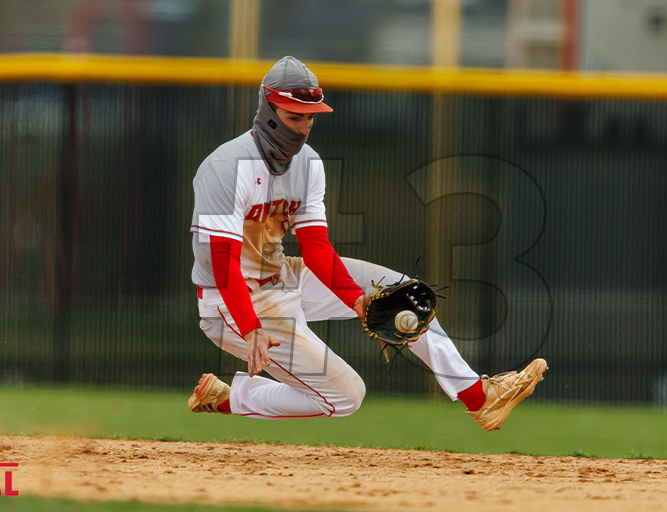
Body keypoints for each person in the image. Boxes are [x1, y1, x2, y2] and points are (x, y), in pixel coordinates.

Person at [187, 56, 546, 430]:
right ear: (269, 111)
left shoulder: (308, 163)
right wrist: (250, 326)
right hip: (231, 299)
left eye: (311, 117)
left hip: (282, 273)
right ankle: (233, 398)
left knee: (403, 294)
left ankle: (478, 397)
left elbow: (316, 247)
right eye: (296, 117)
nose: (305, 127)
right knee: (346, 397)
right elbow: (223, 261)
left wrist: (357, 301)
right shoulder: (227, 167)